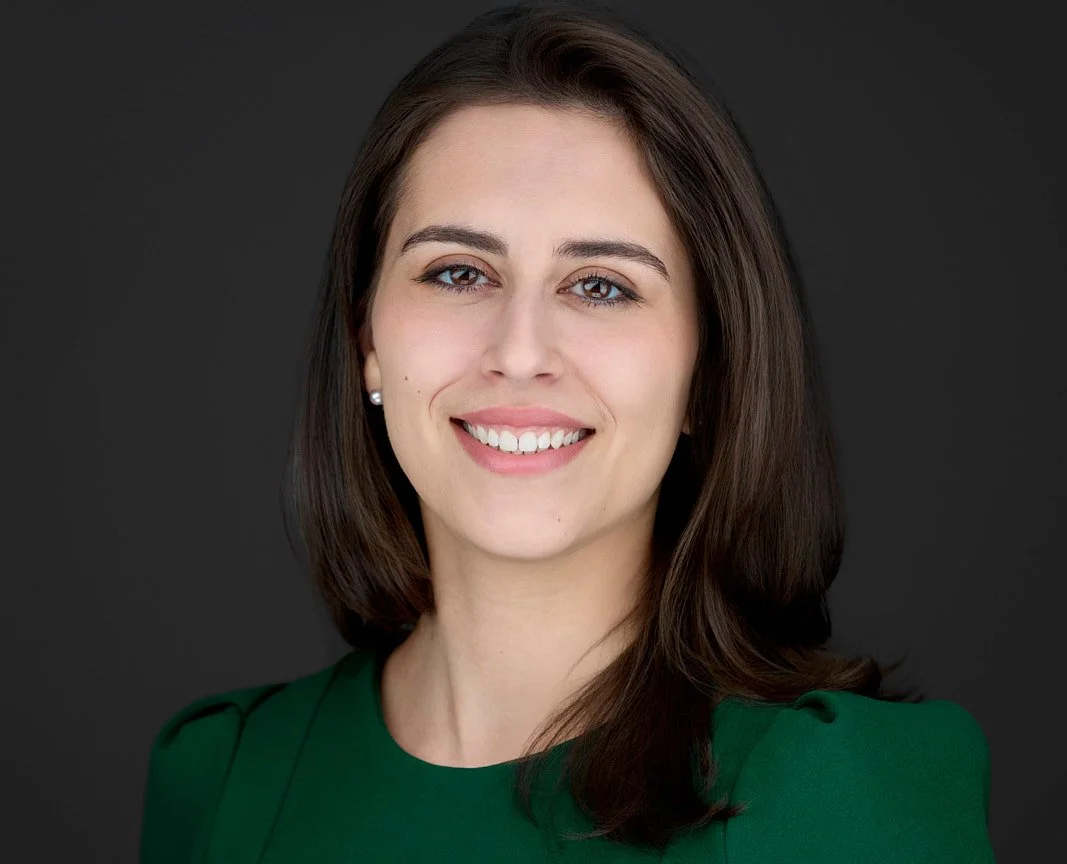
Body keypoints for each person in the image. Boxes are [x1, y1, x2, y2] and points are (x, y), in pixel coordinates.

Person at [139, 1, 995, 861]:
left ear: (709, 370)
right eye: (459, 272)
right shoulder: (225, 781)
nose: (520, 352)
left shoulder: (837, 797)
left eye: (601, 286)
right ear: (367, 340)